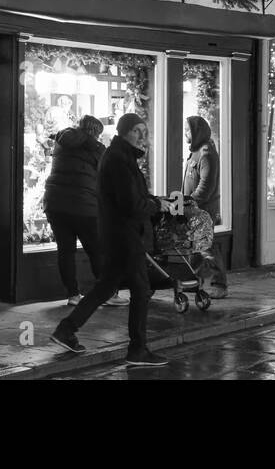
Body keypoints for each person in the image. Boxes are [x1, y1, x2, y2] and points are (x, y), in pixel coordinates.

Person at [51, 114, 173, 366]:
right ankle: (137, 349)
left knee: (105, 287)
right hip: (124, 234)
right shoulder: (118, 159)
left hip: (116, 233)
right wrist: (155, 204)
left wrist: (152, 200)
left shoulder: (121, 156)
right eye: (137, 131)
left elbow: (133, 194)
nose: (143, 136)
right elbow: (131, 204)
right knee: (141, 289)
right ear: (123, 131)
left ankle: (66, 329)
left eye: (145, 131)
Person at [43, 116, 123, 307]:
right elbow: (106, 177)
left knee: (65, 251)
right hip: (83, 206)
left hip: (55, 204)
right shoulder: (96, 149)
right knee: (97, 250)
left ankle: (73, 295)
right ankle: (108, 294)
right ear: (95, 132)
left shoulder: (62, 140)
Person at [183, 115, 226, 298]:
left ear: (196, 131)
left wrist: (189, 201)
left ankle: (219, 284)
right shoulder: (195, 151)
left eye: (188, 130)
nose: (185, 133)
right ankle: (194, 282)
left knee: (207, 246)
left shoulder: (206, 153)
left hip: (203, 209)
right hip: (193, 208)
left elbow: (205, 187)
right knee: (194, 245)